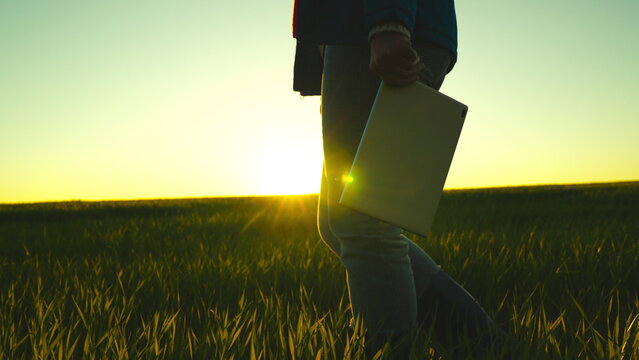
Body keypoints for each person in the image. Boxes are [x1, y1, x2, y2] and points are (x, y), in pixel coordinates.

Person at [292, 0, 506, 357]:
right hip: (357, 30)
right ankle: (488, 347)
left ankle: (482, 347)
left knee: (365, 222)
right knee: (339, 224)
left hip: (371, 25)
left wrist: (388, 21)